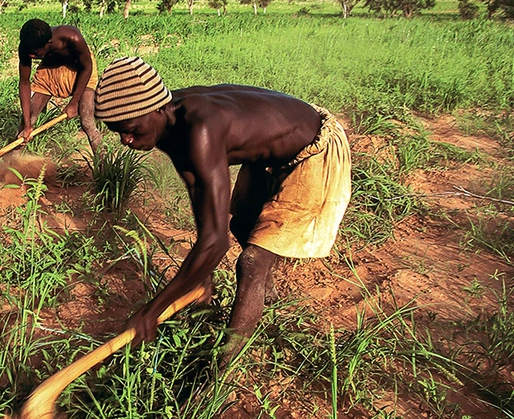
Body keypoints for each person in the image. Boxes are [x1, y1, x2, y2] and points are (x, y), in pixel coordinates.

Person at [94, 56, 352, 355]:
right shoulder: (165, 124)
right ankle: (266, 295)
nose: (126, 140)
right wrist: (200, 277)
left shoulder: (200, 129)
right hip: (272, 151)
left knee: (252, 261)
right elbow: (198, 194)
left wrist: (152, 311)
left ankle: (224, 368)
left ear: (159, 109)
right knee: (241, 224)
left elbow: (216, 245)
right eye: (117, 132)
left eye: (131, 129)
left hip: (314, 148)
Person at [17, 18, 102, 152]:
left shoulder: (72, 37)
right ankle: (11, 163)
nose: (31, 56)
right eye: (29, 53)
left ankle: (104, 165)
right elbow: (24, 82)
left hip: (80, 70)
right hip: (50, 70)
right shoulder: (27, 47)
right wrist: (27, 125)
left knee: (87, 121)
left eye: (36, 53)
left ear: (49, 44)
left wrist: (74, 103)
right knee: (27, 120)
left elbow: (87, 67)